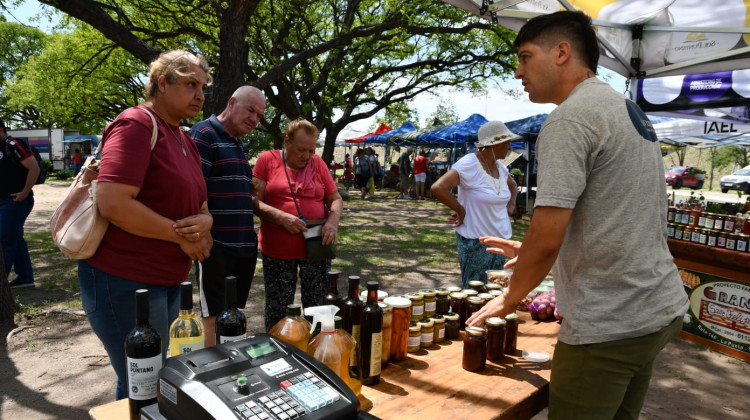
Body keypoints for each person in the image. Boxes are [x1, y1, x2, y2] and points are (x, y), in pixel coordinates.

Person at [466, 11, 689, 419]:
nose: (518, 72)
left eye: (525, 57)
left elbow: (547, 235)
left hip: (610, 321)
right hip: (657, 308)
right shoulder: (625, 108)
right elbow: (618, 212)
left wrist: (509, 298)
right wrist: (528, 246)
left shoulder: (569, 119)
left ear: (562, 53)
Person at [78, 50, 213, 400]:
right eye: (190, 84)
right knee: (144, 382)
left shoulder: (185, 138)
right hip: (125, 280)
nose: (200, 95)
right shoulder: (137, 124)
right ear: (161, 83)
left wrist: (206, 221)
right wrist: (182, 239)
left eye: (203, 87)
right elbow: (113, 202)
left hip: (166, 278)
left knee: (155, 378)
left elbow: (199, 202)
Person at [190, 85, 266, 346]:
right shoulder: (204, 133)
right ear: (232, 103)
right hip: (216, 246)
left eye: (259, 115)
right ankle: (214, 373)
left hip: (242, 245)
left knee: (232, 314)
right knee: (212, 316)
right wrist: (203, 235)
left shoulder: (238, 143)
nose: (255, 119)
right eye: (251, 110)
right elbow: (193, 190)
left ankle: (231, 369)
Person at [252, 119, 343, 331]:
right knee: (279, 309)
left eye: (312, 150)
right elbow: (254, 201)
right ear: (287, 141)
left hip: (316, 246)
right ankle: (280, 354)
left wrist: (332, 221)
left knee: (318, 306)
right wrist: (280, 217)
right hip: (278, 250)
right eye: (302, 150)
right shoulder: (267, 160)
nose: (307, 156)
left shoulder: (317, 163)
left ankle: (318, 353)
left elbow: (335, 198)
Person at [430, 121, 518, 288]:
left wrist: (511, 205)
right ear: (494, 144)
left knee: (495, 289)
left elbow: (513, 185)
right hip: (476, 242)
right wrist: (460, 209)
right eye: (507, 143)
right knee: (474, 291)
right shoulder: (469, 164)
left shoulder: (500, 167)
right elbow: (438, 187)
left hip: (499, 240)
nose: (510, 148)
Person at [1, 118, 41, 288]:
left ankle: (1, 282)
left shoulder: (14, 144)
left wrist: (24, 192)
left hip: (15, 201)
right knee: (15, 238)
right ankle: (25, 277)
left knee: (4, 239)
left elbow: (34, 168)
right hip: (4, 201)